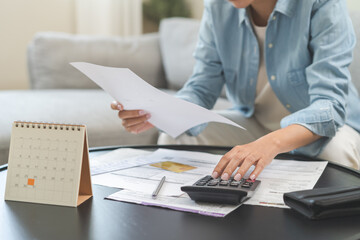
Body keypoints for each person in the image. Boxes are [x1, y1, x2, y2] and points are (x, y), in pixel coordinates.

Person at [111, 0, 360, 182]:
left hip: (328, 129)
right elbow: (201, 87)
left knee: (334, 152)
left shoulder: (322, 4)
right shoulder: (218, 8)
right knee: (176, 136)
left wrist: (269, 144)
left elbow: (329, 107)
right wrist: (160, 111)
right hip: (255, 122)